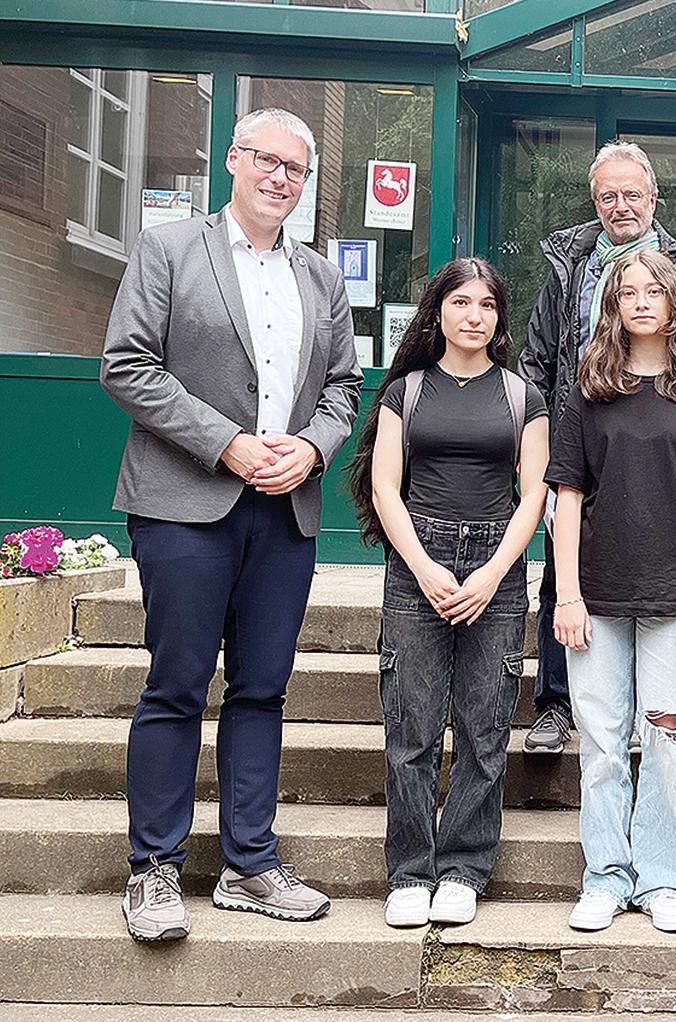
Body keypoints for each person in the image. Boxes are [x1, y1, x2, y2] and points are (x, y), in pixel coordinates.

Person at [100, 107, 362, 941]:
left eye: (296, 169)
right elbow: (126, 364)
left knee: (262, 686)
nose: (281, 178)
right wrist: (228, 444)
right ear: (233, 160)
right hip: (186, 502)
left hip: (284, 509)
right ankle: (154, 867)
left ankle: (250, 861)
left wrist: (312, 449)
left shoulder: (321, 277)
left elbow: (344, 388)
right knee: (177, 682)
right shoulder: (170, 249)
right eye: (267, 160)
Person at [349, 258, 548, 929]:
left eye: (487, 305)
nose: (474, 316)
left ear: (499, 319)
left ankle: (463, 868)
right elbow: (386, 488)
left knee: (484, 728)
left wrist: (491, 573)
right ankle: (410, 872)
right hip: (417, 561)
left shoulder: (523, 397)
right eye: (462, 302)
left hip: (498, 566)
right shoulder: (405, 392)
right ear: (438, 312)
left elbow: (534, 495)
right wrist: (424, 567)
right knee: (411, 727)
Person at [517, 140, 676, 756]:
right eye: (608, 195)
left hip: (660, 445)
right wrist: (544, 451)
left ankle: (640, 715)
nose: (620, 205)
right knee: (564, 576)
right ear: (594, 202)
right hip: (582, 441)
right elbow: (537, 361)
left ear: (654, 199)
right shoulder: (570, 266)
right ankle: (557, 704)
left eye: (632, 193)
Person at [550, 250, 676, 935]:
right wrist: (567, 594)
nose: (641, 301)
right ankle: (605, 877)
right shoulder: (589, 390)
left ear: (675, 302)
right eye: (627, 292)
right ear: (613, 305)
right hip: (596, 595)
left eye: (653, 290)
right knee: (601, 746)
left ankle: (661, 879)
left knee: (668, 745)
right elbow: (568, 497)